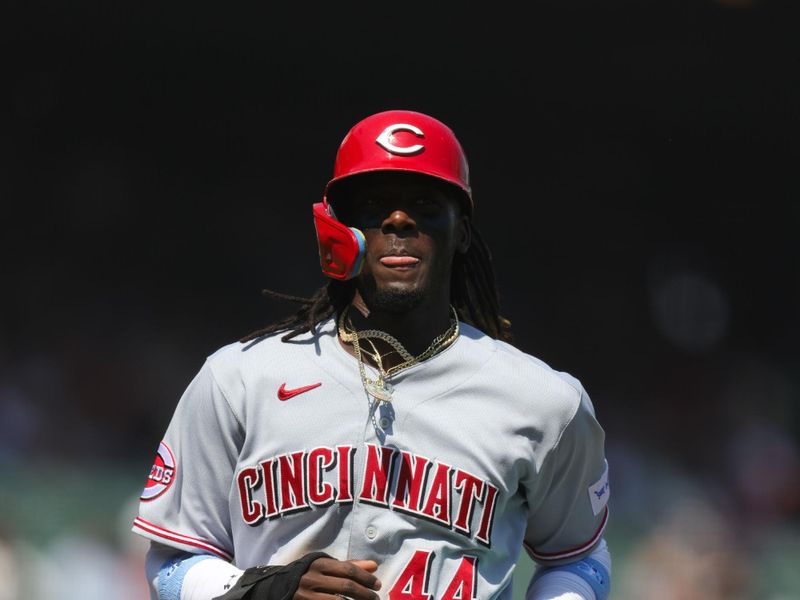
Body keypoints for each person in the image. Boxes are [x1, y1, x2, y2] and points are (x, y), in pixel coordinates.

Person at [133, 110, 612, 600]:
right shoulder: (238, 380)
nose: (399, 219)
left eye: (425, 204)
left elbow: (580, 558)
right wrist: (262, 592)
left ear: (462, 231)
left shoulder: (544, 401)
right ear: (337, 229)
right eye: (374, 205)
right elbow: (173, 562)